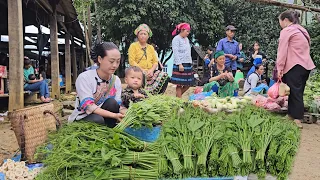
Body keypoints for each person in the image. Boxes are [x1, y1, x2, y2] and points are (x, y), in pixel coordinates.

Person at [68, 42, 126, 128]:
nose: (115, 65)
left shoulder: (116, 80)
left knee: (112, 103)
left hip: (104, 115)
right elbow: (89, 107)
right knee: (97, 120)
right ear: (100, 59)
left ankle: (109, 131)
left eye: (117, 62)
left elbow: (118, 104)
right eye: (111, 61)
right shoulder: (85, 78)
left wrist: (129, 113)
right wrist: (114, 116)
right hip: (83, 117)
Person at [277, 10, 315, 128]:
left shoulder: (287, 31)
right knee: (296, 91)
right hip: (306, 65)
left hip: (295, 65)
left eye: (280, 21)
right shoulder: (302, 30)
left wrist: (280, 67)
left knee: (295, 92)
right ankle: (291, 114)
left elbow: (282, 51)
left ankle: (298, 118)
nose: (280, 24)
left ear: (285, 20)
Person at [128, 24, 169, 95]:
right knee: (141, 75)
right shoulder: (133, 46)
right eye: (141, 34)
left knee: (165, 76)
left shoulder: (150, 47)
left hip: (150, 71)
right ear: (137, 35)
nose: (143, 36)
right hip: (137, 70)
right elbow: (132, 61)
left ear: (148, 36)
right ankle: (143, 94)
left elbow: (155, 61)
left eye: (145, 34)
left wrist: (151, 70)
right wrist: (143, 70)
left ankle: (157, 95)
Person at [171, 22, 195, 98]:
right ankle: (179, 100)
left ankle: (177, 97)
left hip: (187, 63)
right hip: (180, 63)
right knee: (179, 83)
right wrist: (179, 64)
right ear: (182, 30)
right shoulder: (176, 39)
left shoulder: (186, 39)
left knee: (188, 83)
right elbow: (176, 52)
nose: (188, 33)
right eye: (187, 31)